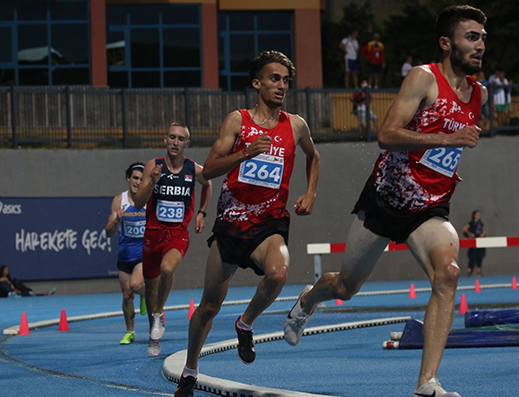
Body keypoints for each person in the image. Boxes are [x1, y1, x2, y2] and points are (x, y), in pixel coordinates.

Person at [284, 5, 487, 397]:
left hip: (428, 207)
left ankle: (426, 383)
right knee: (346, 287)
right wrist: (446, 141)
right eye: (471, 37)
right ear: (446, 43)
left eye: (482, 37)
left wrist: (445, 165)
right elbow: (387, 134)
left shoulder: (479, 93)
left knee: (448, 273)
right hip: (385, 199)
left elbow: (445, 147)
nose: (480, 45)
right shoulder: (423, 78)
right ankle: (310, 298)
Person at [175, 50, 319, 397]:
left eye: (286, 80)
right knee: (209, 305)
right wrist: (246, 152)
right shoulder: (237, 121)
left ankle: (246, 322)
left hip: (269, 223)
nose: (281, 85)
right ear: (257, 83)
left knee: (278, 273)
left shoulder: (296, 124)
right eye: (274, 78)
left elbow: (314, 156)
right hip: (230, 224)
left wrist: (310, 192)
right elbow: (207, 171)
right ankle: (190, 371)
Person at [136, 123, 212, 357]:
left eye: (181, 139)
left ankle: (158, 313)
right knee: (150, 288)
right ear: (165, 140)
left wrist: (201, 212)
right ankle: (153, 334)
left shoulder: (193, 169)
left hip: (178, 235)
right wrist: (152, 182)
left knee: (167, 269)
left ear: (186, 144)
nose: (176, 142)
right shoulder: (153, 166)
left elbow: (207, 183)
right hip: (152, 234)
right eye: (172, 137)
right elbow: (138, 203)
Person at [105, 162, 148, 345]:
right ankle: (130, 331)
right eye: (135, 178)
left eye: (141, 178)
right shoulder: (118, 200)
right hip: (124, 254)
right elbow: (108, 232)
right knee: (127, 294)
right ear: (128, 178)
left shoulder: (148, 199)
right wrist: (116, 220)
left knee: (136, 285)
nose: (137, 182)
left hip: (143, 252)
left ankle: (148, 295)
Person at [463, 210, 486, 277]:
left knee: (480, 256)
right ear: (474, 215)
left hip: (480, 241)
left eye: (479, 214)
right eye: (477, 214)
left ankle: (479, 271)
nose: (479, 215)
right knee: (472, 256)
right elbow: (464, 229)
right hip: (473, 241)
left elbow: (484, 230)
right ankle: (469, 271)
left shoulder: (480, 223)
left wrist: (482, 234)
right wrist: (471, 234)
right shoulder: (471, 223)